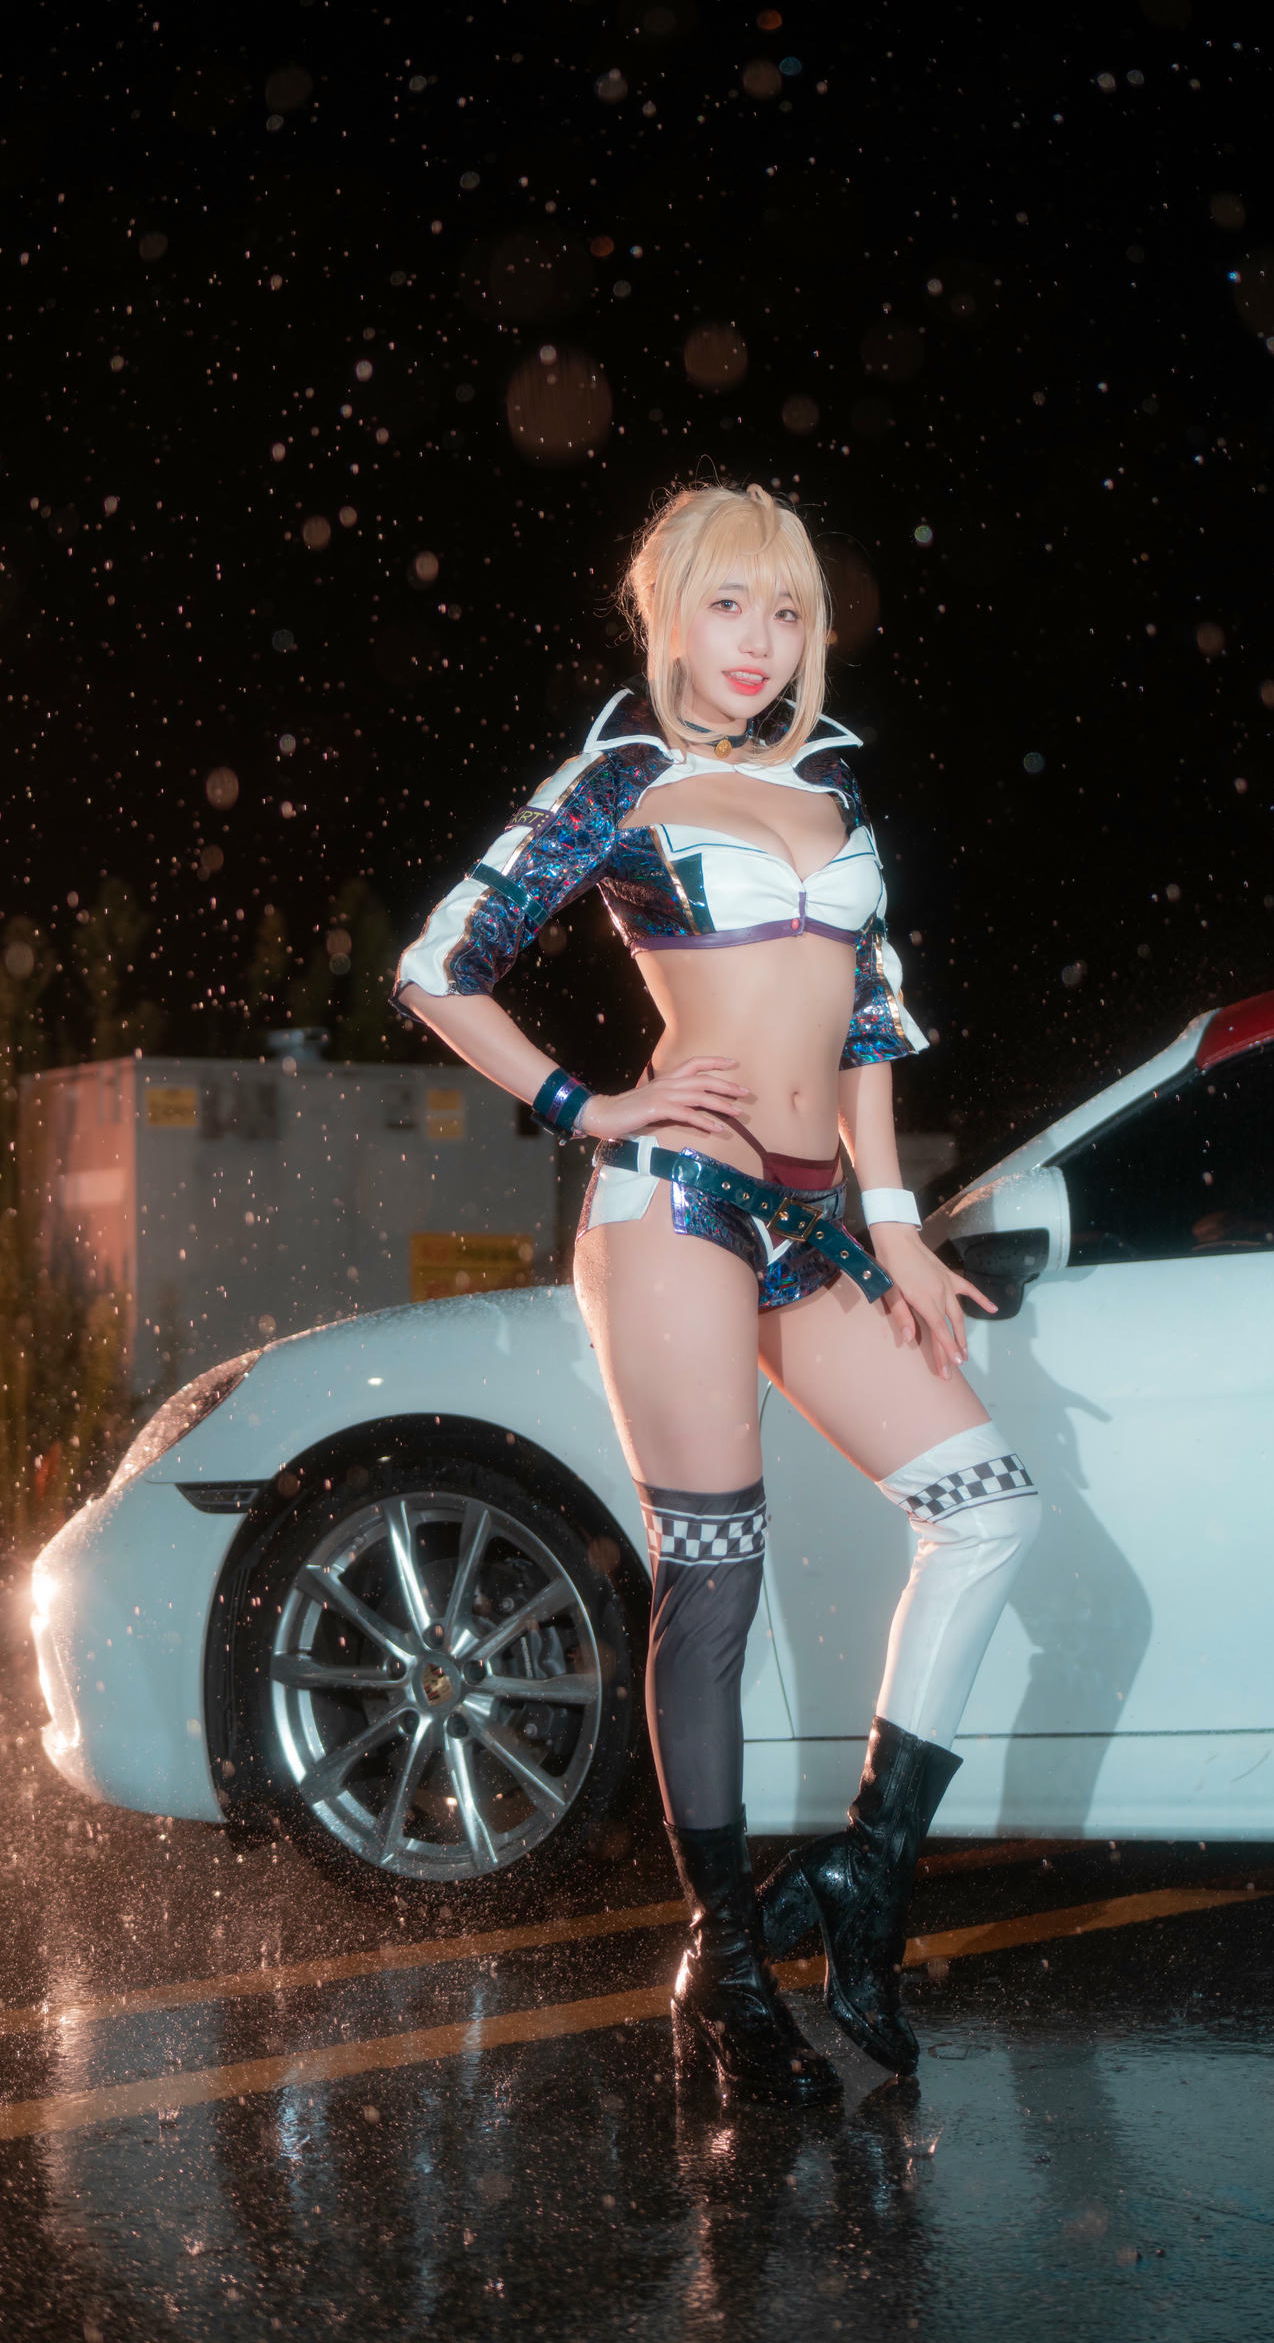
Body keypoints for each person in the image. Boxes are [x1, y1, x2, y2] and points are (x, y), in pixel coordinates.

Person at [390, 482, 1043, 2104]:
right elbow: (437, 965)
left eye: (790, 610)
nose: (760, 641)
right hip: (675, 1204)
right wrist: (586, 1103)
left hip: (820, 1220)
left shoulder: (834, 781)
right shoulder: (623, 777)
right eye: (729, 605)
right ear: (667, 615)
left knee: (986, 1510)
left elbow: (869, 1015)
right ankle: (730, 1967)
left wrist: (894, 1226)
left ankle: (866, 1872)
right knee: (718, 1581)